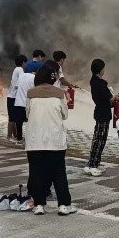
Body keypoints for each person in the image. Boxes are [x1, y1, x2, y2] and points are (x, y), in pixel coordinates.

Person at [25, 64, 76, 216]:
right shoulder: (60, 94)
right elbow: (64, 115)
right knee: (59, 174)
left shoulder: (31, 93)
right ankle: (64, 205)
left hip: (35, 141)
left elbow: (27, 113)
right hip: (56, 141)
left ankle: (39, 205)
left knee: (36, 173)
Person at [84, 59, 119, 177]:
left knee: (98, 139)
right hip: (103, 114)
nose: (104, 70)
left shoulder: (94, 82)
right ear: (100, 70)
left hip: (100, 112)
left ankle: (93, 163)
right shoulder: (100, 83)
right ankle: (93, 165)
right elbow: (109, 99)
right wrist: (116, 97)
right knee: (99, 140)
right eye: (103, 68)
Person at [13, 61, 42, 142]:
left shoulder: (21, 76)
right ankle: (31, 138)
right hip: (29, 103)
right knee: (31, 121)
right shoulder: (35, 78)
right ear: (36, 71)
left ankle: (19, 138)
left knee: (19, 122)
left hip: (19, 102)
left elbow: (16, 87)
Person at [7, 55, 28, 142]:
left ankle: (13, 136)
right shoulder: (20, 70)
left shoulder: (16, 69)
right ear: (23, 62)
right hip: (14, 98)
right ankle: (10, 137)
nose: (26, 65)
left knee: (12, 118)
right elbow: (22, 81)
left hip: (11, 97)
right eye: (25, 63)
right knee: (15, 118)